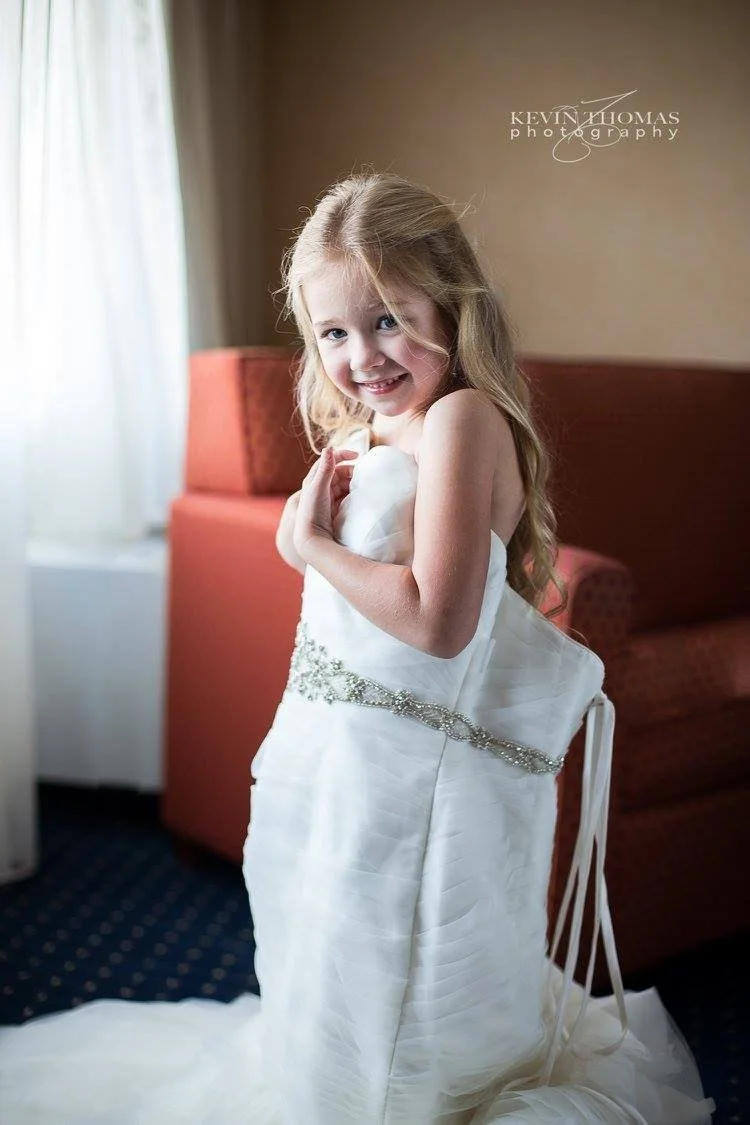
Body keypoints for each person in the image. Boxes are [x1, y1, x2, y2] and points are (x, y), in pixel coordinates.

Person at [0, 172, 715, 1124]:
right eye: (332, 332)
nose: (360, 354)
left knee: (406, 980)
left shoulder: (461, 418)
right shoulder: (376, 423)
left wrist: (311, 548)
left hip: (427, 779)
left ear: (450, 307)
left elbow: (437, 619)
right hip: (339, 752)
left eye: (386, 320)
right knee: (331, 958)